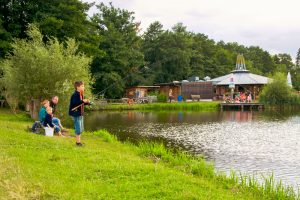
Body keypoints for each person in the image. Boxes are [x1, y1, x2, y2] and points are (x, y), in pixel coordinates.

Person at [69, 81, 90, 146]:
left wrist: (87, 102)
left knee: (81, 128)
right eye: (82, 86)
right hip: (75, 113)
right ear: (78, 87)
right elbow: (75, 103)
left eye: (83, 86)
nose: (84, 87)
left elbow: (81, 103)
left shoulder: (81, 94)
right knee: (78, 128)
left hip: (80, 113)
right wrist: (82, 101)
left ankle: (79, 141)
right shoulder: (75, 95)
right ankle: (77, 143)